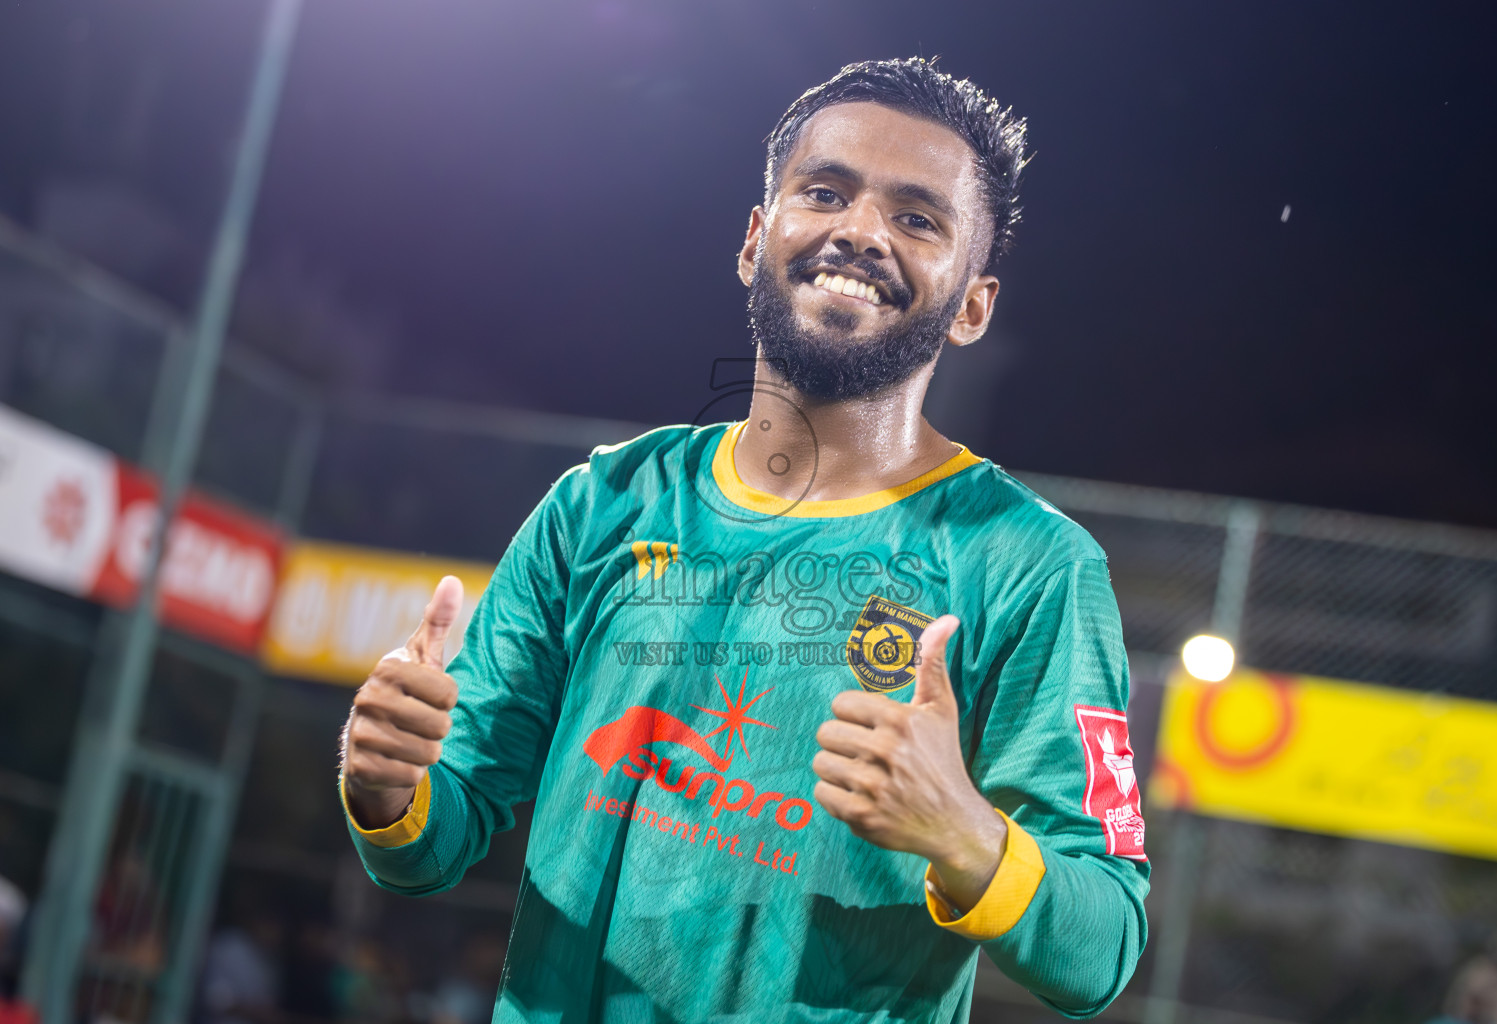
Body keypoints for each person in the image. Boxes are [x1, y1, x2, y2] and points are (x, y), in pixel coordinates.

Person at [338, 58, 1149, 1022]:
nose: (860, 232)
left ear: (972, 305)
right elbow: (432, 841)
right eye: (825, 192)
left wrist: (966, 835)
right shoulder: (604, 504)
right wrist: (386, 787)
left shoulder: (1029, 567)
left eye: (918, 219)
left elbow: (1103, 947)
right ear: (757, 238)